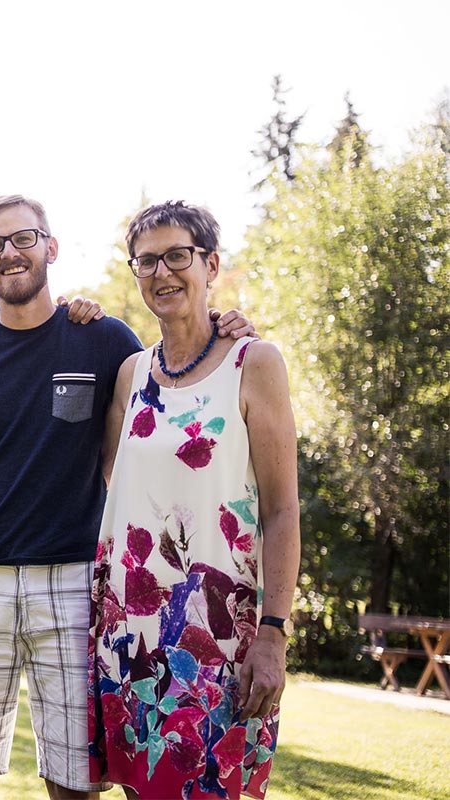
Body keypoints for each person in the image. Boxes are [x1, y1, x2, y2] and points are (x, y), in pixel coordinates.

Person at [0, 195, 254, 800]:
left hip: (75, 581)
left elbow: (177, 372)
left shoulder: (102, 339)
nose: (9, 253)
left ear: (51, 247)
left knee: (76, 779)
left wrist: (230, 327)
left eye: (22, 238)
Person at [88, 201, 299, 799]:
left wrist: (275, 634)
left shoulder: (254, 363)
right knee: (141, 787)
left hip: (219, 634)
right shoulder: (131, 373)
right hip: (130, 632)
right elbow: (114, 476)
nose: (163, 272)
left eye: (177, 255)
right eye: (147, 261)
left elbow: (282, 509)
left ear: (210, 264)